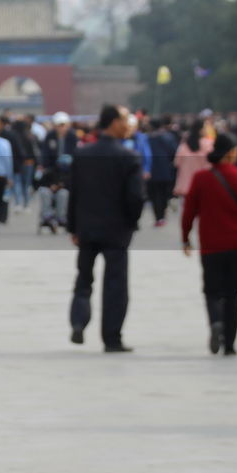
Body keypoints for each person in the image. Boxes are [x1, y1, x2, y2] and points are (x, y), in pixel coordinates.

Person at [180, 133, 237, 356]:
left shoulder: (201, 178)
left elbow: (189, 211)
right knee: (233, 294)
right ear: (230, 153)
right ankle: (229, 344)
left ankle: (215, 322)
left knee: (211, 291)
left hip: (210, 244)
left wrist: (185, 237)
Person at [67, 105, 146, 352]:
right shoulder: (128, 157)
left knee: (83, 279)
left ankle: (78, 321)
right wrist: (131, 222)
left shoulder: (83, 155)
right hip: (117, 231)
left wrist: (73, 227)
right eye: (125, 120)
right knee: (115, 285)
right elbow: (136, 197)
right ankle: (112, 338)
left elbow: (74, 195)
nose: (129, 125)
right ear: (113, 123)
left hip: (87, 229)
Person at [147, 118, 179, 226]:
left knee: (155, 194)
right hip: (166, 169)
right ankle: (163, 216)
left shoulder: (148, 138)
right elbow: (174, 151)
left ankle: (158, 217)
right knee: (163, 193)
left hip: (152, 170)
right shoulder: (168, 137)